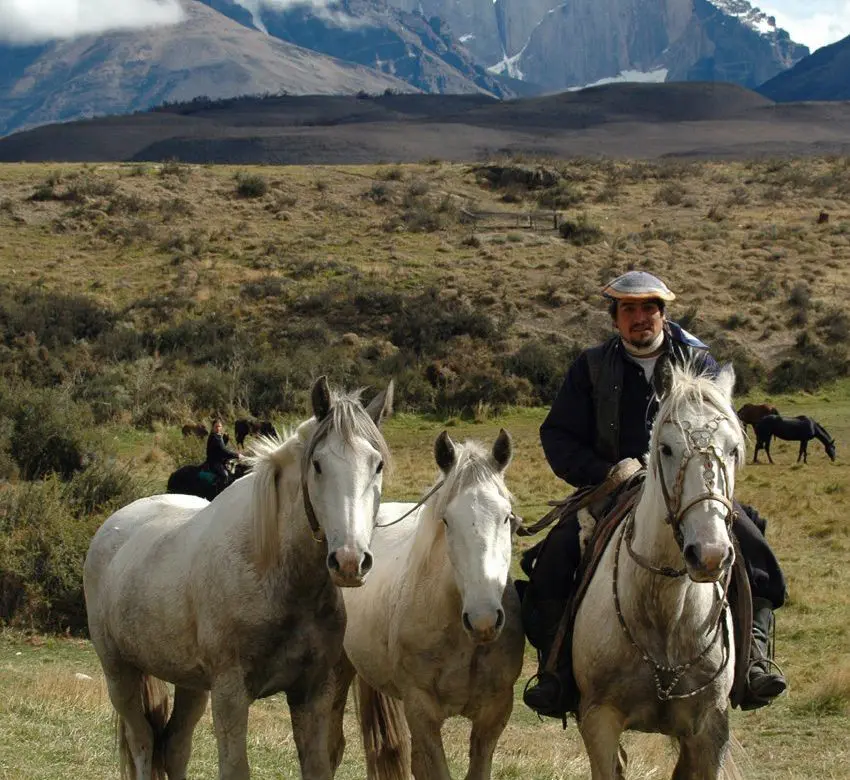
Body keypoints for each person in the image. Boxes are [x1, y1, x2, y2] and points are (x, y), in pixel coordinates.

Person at [522, 270, 787, 718]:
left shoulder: (700, 362)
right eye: (629, 309)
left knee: (753, 544)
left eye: (649, 308)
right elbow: (558, 435)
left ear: (664, 314)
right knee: (555, 556)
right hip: (613, 487)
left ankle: (754, 659)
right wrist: (606, 471)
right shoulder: (589, 367)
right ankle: (557, 674)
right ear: (615, 319)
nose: (639, 318)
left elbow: (724, 430)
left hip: (691, 489)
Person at [206, 419, 241, 491]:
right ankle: (219, 492)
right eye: (216, 426)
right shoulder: (215, 437)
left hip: (219, 459)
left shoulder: (218, 436)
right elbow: (223, 451)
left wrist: (225, 439)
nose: (218, 428)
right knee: (224, 476)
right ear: (213, 427)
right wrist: (237, 455)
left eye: (219, 426)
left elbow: (219, 448)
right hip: (214, 461)